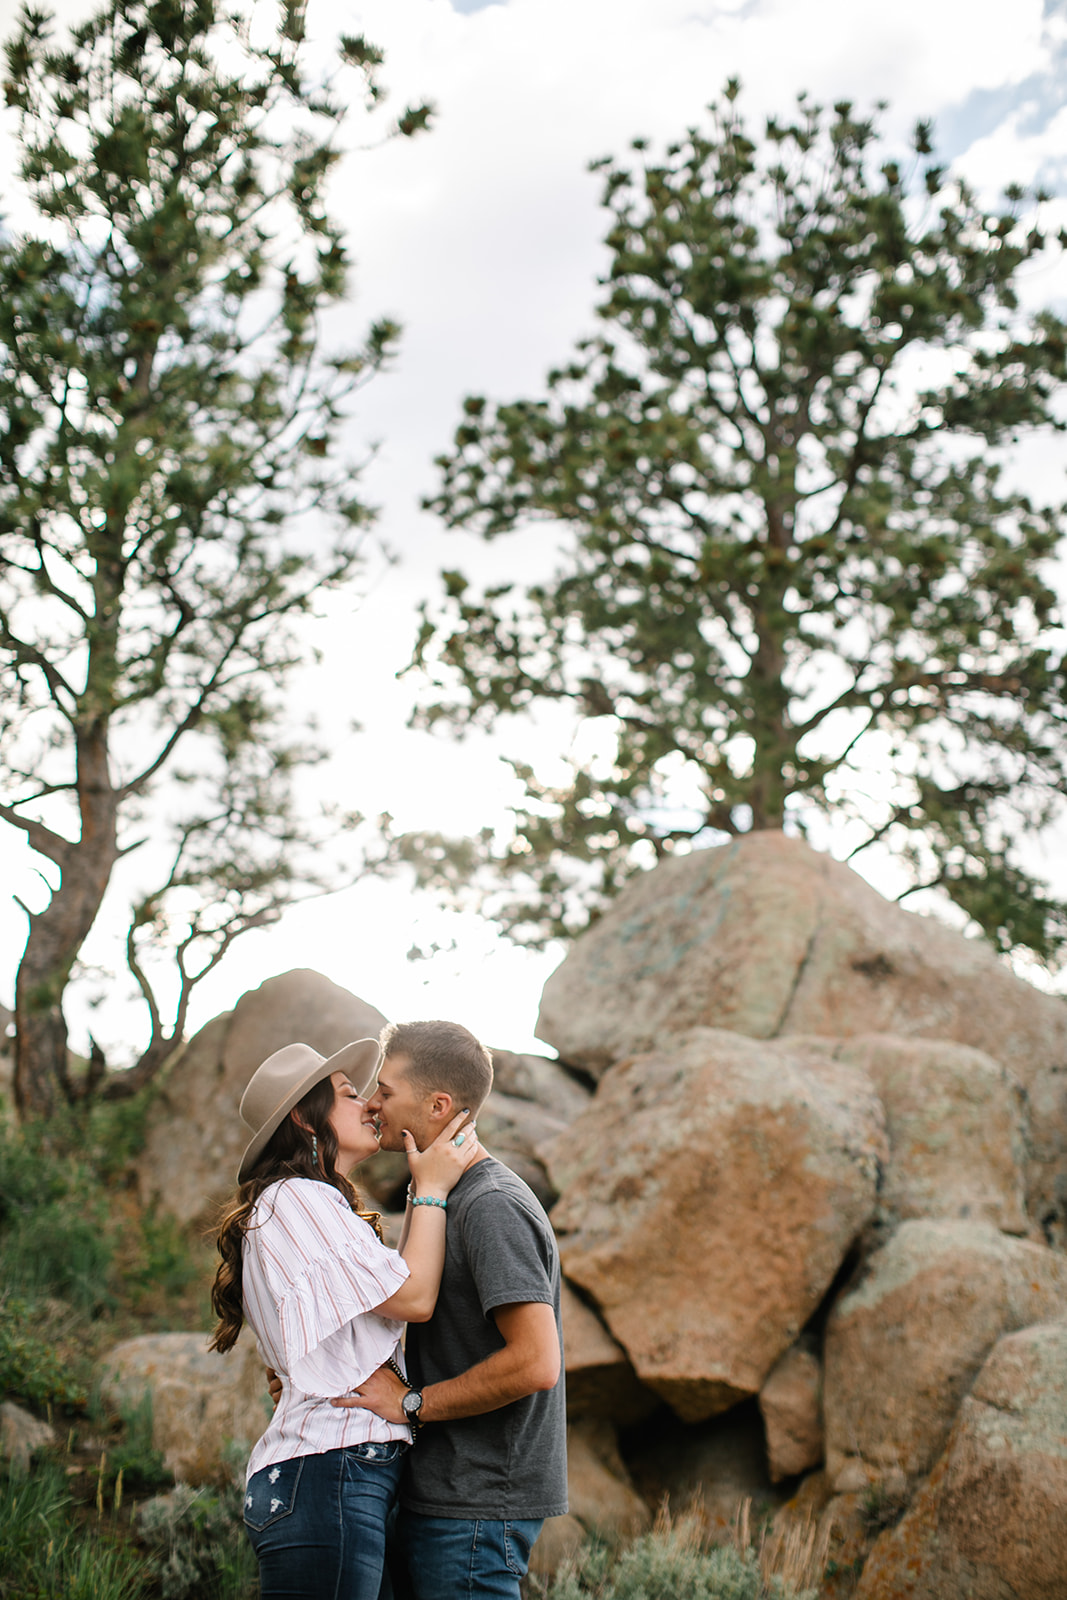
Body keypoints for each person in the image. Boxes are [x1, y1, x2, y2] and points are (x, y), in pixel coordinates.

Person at [210, 1036, 480, 1600]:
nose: (370, 1107)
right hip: (329, 1471)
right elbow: (412, 1299)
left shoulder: (312, 1205)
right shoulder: (296, 1199)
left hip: (336, 1474)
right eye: (351, 1094)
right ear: (306, 1122)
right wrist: (429, 1189)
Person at [332, 1019, 568, 1600]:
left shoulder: (490, 1205)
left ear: (437, 1105)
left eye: (386, 1091)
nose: (372, 1103)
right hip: (443, 1494)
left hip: (477, 1508)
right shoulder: (437, 1192)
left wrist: (411, 1403)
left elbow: (537, 1362)